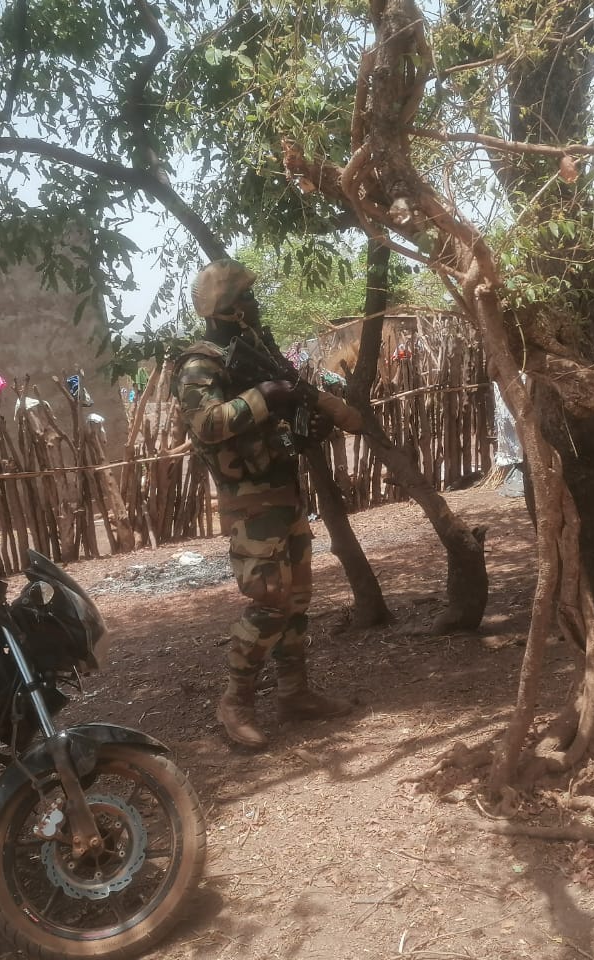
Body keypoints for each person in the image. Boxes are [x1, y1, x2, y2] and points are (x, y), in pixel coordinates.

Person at [171, 258, 352, 750]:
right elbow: (206, 424)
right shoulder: (199, 365)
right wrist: (265, 395)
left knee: (296, 601)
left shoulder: (256, 351)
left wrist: (306, 421)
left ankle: (295, 695)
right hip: (249, 501)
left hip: (281, 490)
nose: (253, 304)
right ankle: (236, 703)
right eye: (244, 298)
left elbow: (281, 420)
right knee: (268, 601)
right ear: (226, 309)